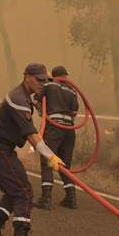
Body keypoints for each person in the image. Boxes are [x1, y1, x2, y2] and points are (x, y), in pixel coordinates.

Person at [0, 63, 65, 236]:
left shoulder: (24, 97)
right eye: (39, 79)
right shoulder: (18, 99)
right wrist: (50, 157)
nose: (43, 83)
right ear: (27, 77)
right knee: (24, 192)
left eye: (46, 80)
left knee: (14, 189)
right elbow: (32, 136)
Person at [34, 65, 79, 210]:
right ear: (63, 76)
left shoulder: (48, 85)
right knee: (65, 164)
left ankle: (46, 198)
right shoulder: (72, 91)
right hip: (69, 130)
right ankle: (71, 198)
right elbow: (74, 111)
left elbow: (37, 97)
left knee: (47, 159)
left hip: (54, 128)